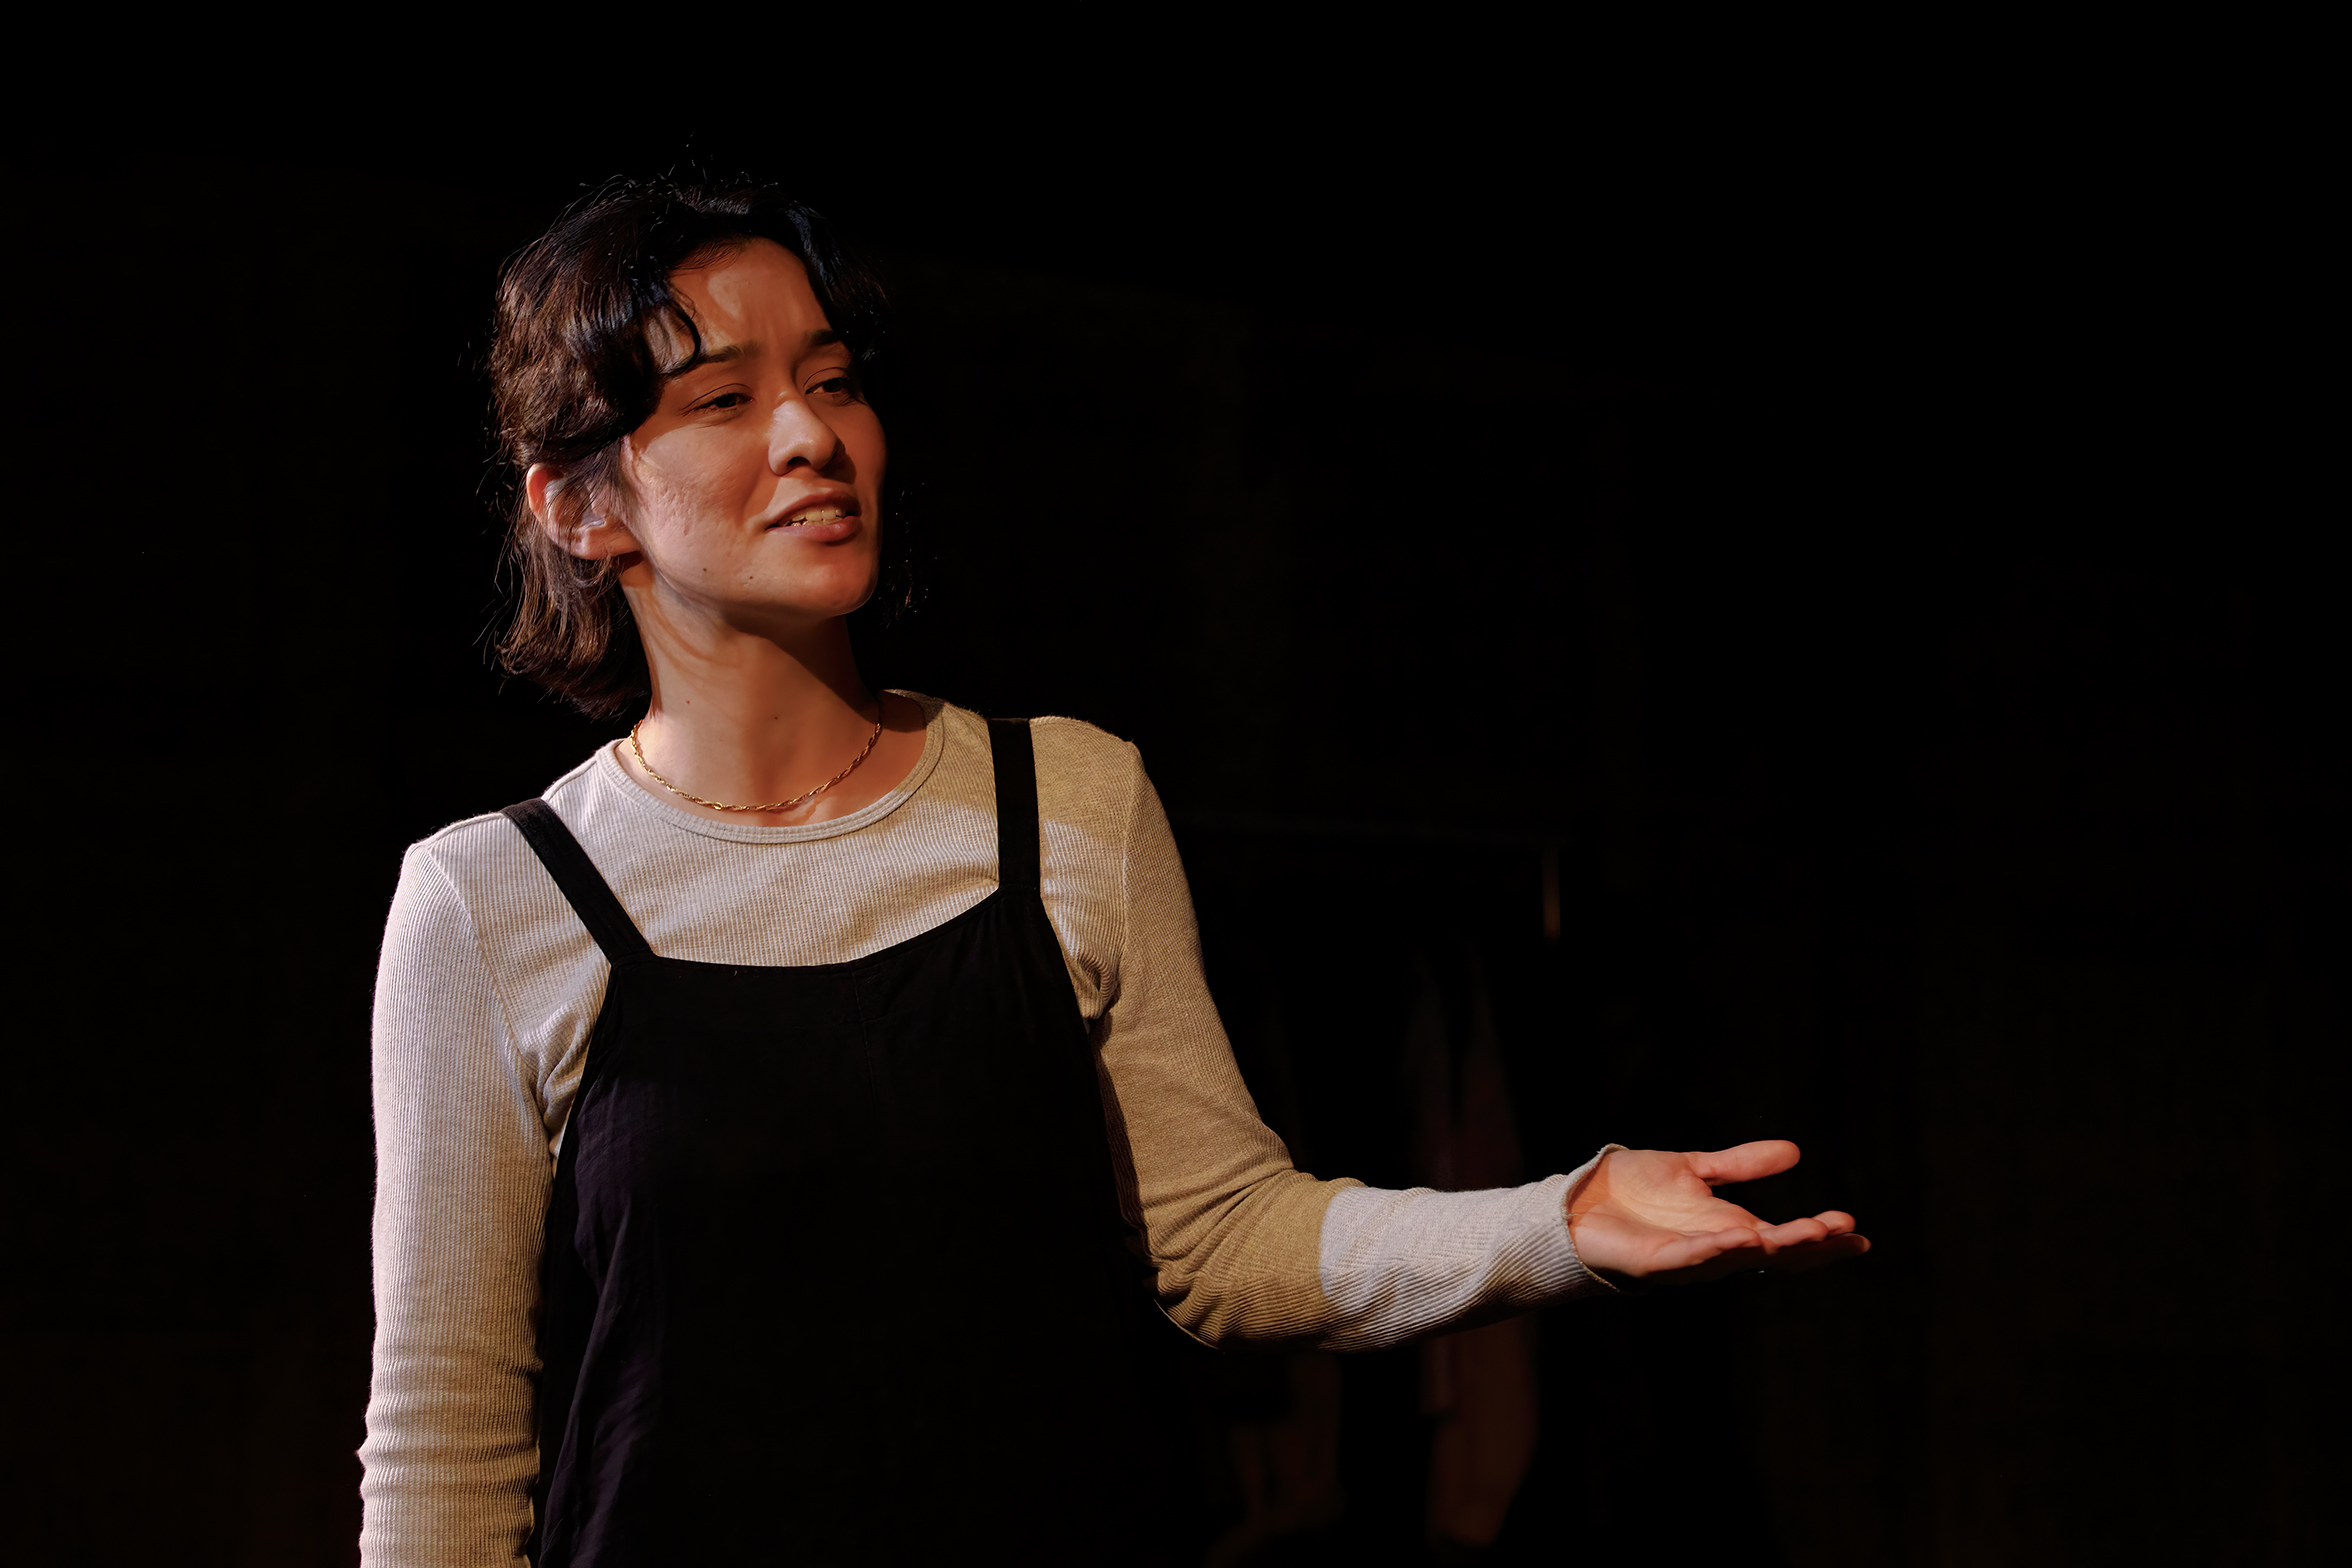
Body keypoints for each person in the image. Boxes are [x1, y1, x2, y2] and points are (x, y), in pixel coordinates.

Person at [358, 181, 1869, 1566]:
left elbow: (1223, 1238)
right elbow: (445, 1445)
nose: (812, 434)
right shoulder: (493, 901)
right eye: (722, 399)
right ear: (582, 507)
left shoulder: (1065, 800)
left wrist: (1563, 1219)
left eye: (834, 379)